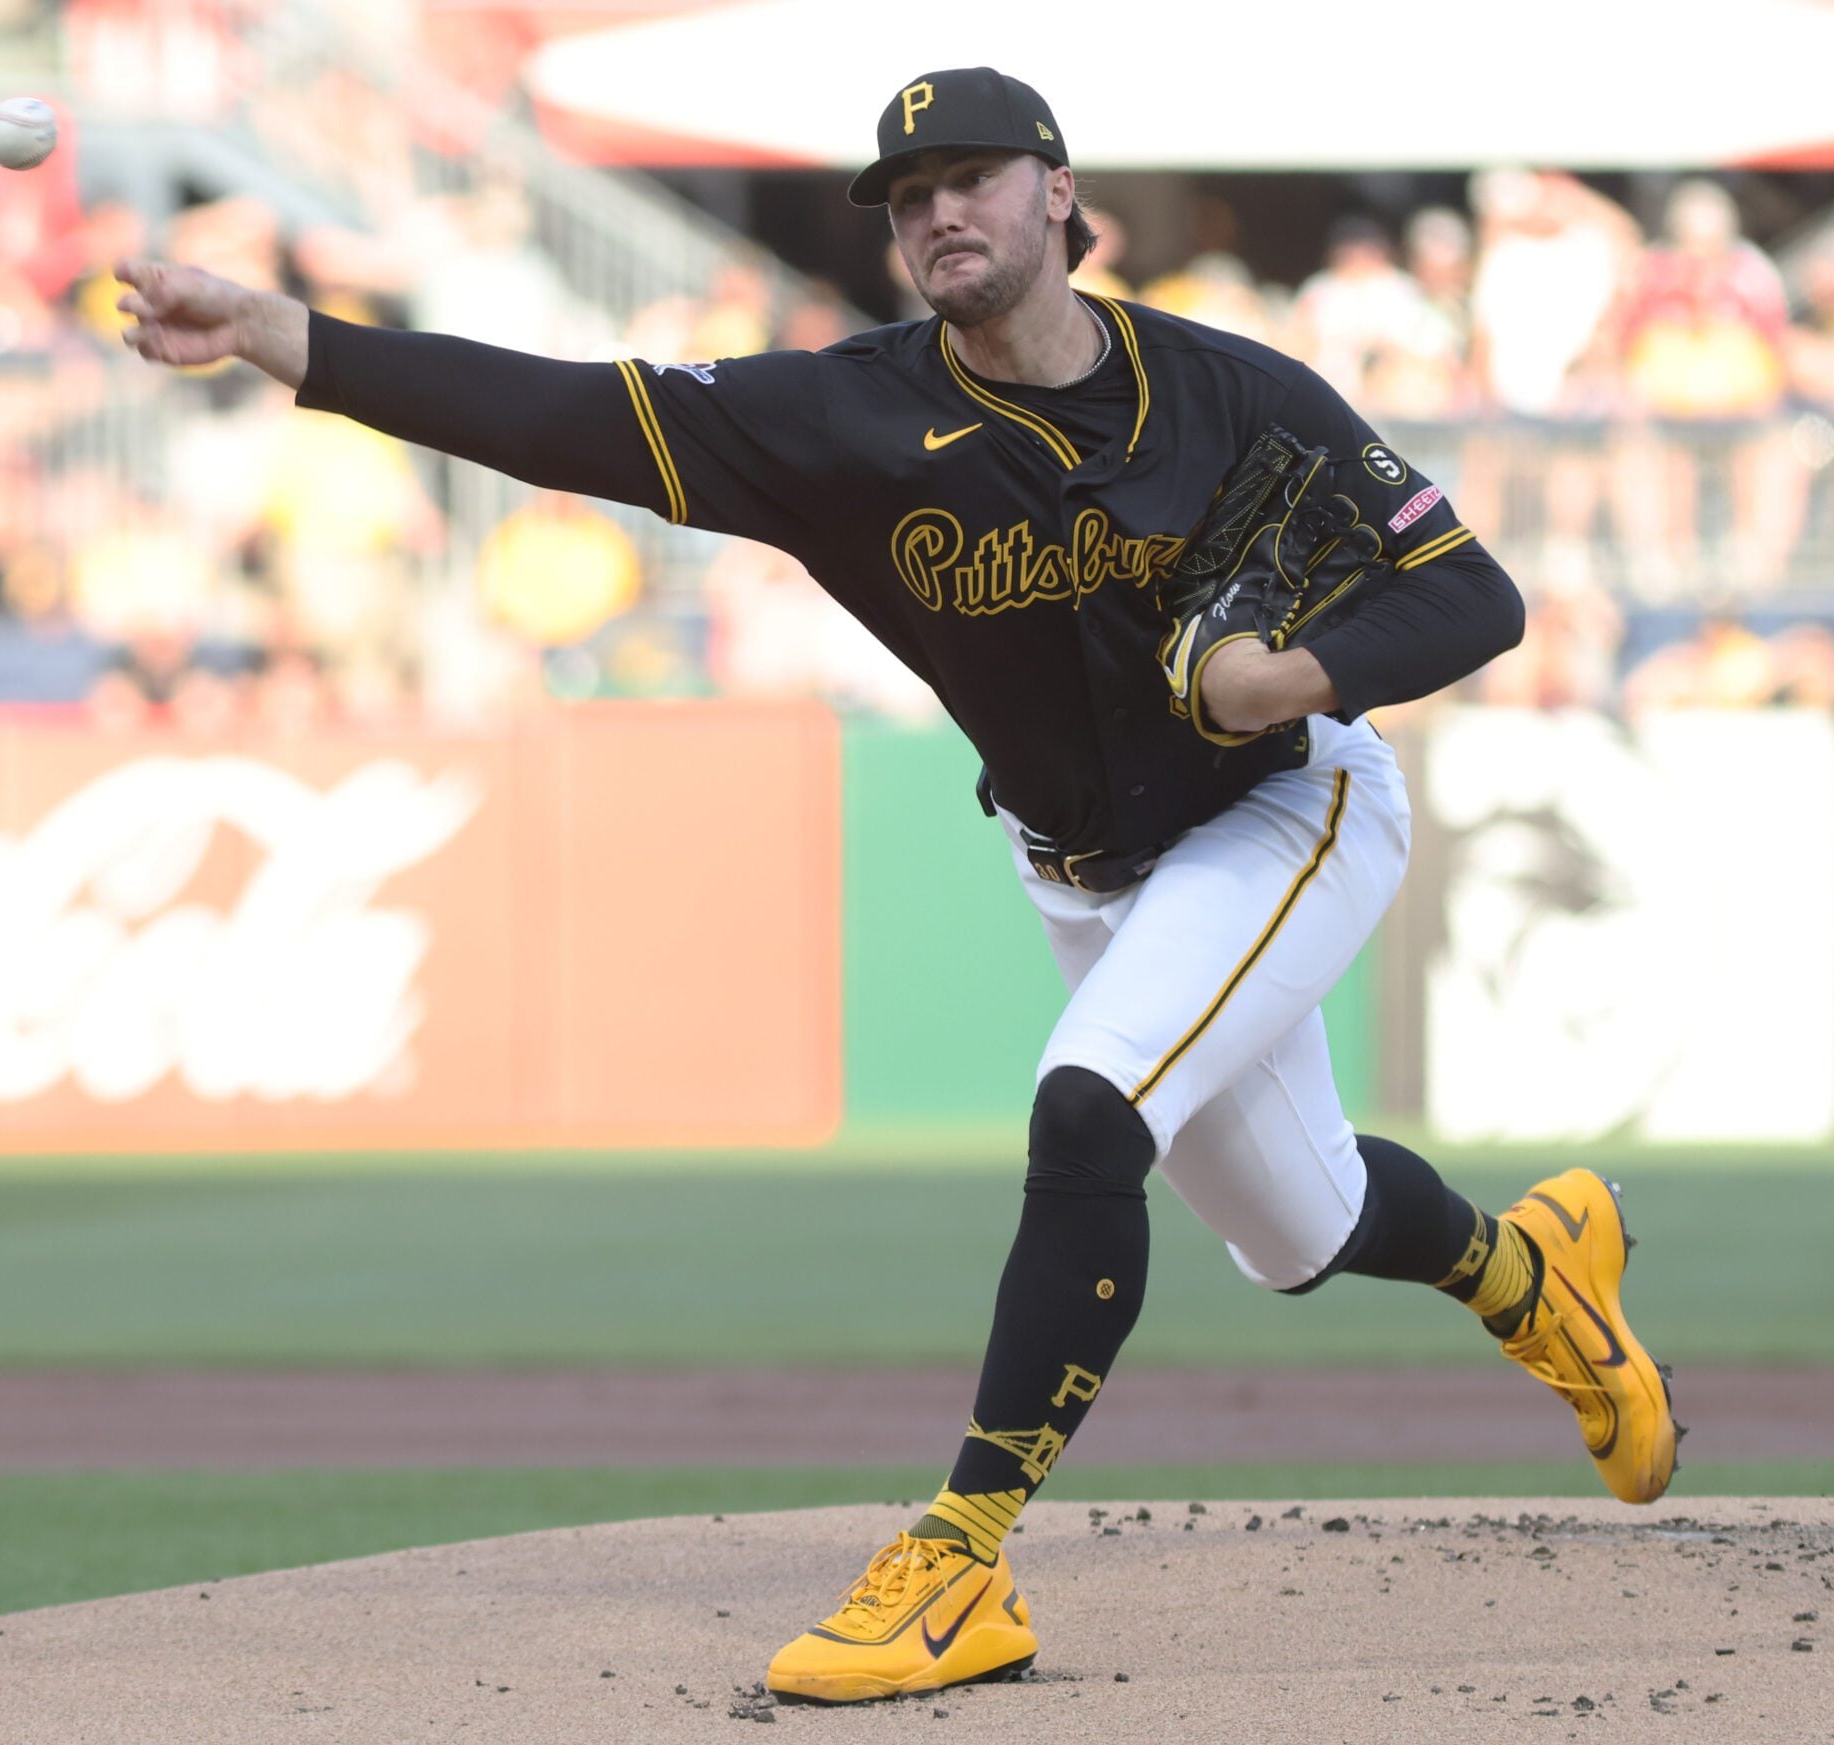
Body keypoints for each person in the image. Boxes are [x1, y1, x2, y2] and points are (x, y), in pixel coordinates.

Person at [114, 65, 1680, 1706]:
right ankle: (1535, 1270)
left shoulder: (1232, 392)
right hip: (1082, 864)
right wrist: (284, 332)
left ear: (1060, 196)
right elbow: (558, 413)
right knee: (1304, 1226)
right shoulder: (842, 421)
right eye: (908, 192)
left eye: (973, 176)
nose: (938, 209)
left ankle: (959, 1557)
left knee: (1087, 1106)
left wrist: (1298, 675)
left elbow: (1473, 596)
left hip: (1283, 811)